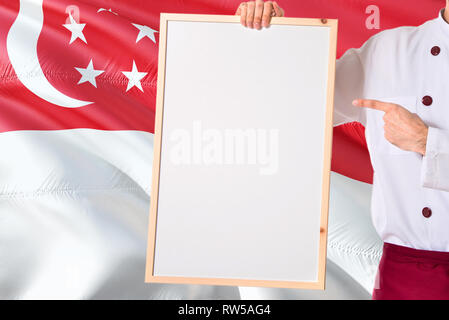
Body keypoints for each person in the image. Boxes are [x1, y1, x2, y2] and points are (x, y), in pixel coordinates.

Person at [236, 0, 449, 300]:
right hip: (402, 278)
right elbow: (300, 103)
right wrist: (275, 35)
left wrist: (428, 143)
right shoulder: (386, 50)